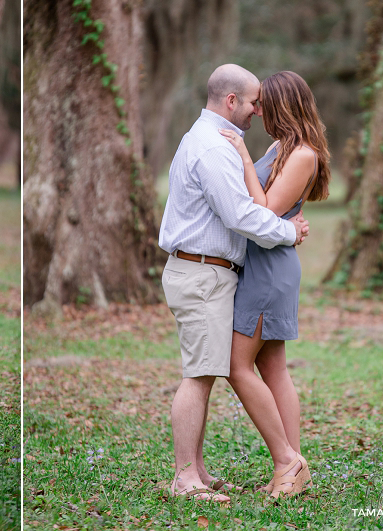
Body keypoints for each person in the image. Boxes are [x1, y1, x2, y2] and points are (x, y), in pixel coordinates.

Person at [157, 63, 310, 502]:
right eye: (252, 102)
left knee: (205, 372)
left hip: (211, 272)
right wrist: (289, 231)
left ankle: (197, 471)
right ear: (231, 101)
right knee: (200, 374)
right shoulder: (212, 147)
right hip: (202, 273)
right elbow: (241, 214)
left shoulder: (212, 140)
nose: (256, 111)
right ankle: (186, 478)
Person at [218, 71, 330, 499]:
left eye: (265, 102)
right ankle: (292, 467)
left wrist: (244, 159)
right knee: (272, 368)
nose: (258, 109)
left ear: (284, 105)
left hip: (271, 271)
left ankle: (289, 462)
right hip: (262, 263)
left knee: (236, 365)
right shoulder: (280, 147)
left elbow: (264, 208)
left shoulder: (303, 154)